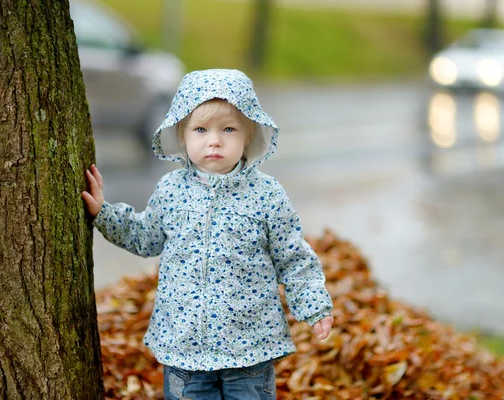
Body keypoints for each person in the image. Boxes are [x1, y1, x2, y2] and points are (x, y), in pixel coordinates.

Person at [82, 69, 334, 400]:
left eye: (228, 129)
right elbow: (146, 235)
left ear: (248, 134)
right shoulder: (172, 189)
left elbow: (292, 256)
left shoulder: (266, 194)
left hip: (249, 348)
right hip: (184, 346)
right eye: (201, 129)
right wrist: (104, 213)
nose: (214, 140)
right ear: (182, 134)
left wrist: (315, 305)